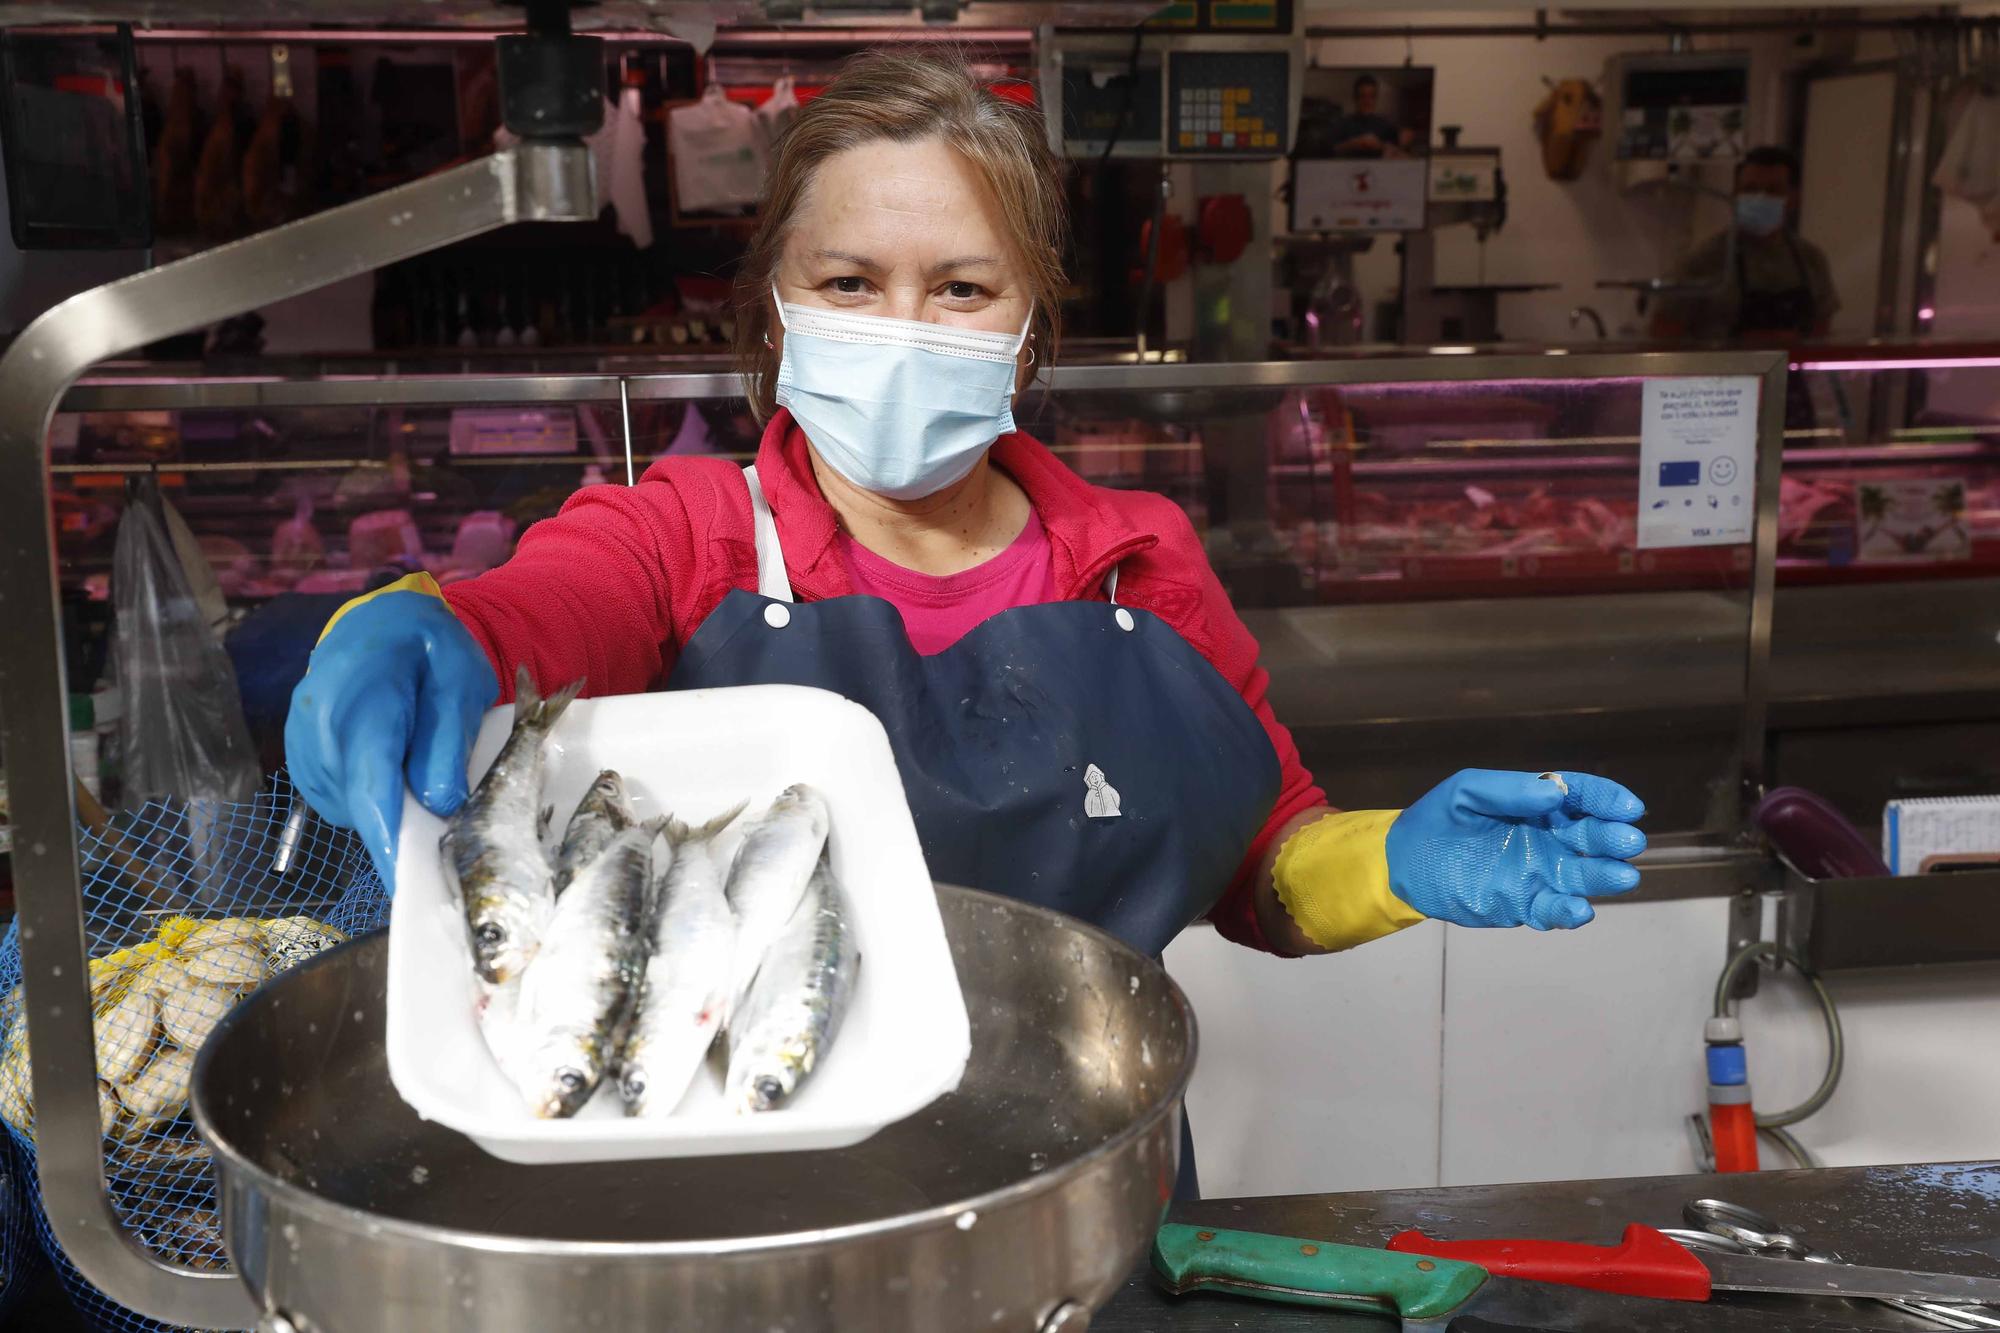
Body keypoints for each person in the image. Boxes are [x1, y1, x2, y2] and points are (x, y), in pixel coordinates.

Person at [286, 51, 1646, 1195]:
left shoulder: (1135, 563)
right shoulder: (686, 536)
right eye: (849, 282)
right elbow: (543, 608)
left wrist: (1396, 859)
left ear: (1030, 320)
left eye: (959, 288)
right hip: (749, 1195)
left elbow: (1263, 865)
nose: (903, 329)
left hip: (1077, 1197)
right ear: (775, 307)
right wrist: (434, 627)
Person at [1650, 145, 1840, 342]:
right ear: (1734, 195)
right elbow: (1664, 332)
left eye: (1773, 190)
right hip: (1724, 371)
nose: (1760, 198)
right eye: (1750, 189)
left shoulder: (1811, 259)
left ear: (1793, 198)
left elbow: (1821, 329)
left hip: (1791, 371)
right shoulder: (1704, 261)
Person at [1326, 75, 1413, 158]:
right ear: (1355, 98)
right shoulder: (1343, 123)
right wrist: (1353, 144)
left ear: (1376, 98)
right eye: (1362, 96)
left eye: (1372, 96)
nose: (1367, 101)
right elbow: (1329, 151)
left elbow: (1401, 152)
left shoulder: (1385, 124)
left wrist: (1382, 146)